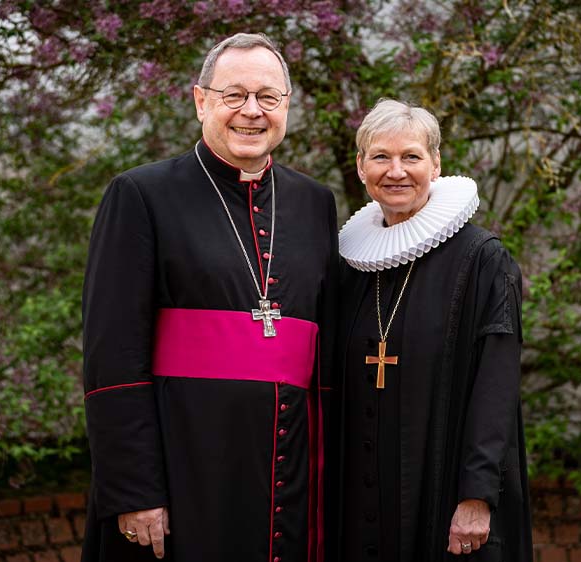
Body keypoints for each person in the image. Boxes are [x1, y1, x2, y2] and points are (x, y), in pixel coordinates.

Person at [81, 33, 338, 561]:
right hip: (185, 470)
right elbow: (113, 360)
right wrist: (134, 489)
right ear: (201, 101)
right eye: (234, 95)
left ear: (287, 105)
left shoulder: (315, 203)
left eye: (268, 97)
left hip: (290, 469)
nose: (252, 111)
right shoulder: (141, 195)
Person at [334, 99, 532, 562]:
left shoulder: (483, 260)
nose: (396, 171)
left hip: (445, 491)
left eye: (411, 156)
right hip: (361, 495)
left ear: (436, 164)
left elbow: (497, 387)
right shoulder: (349, 267)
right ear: (361, 166)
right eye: (380, 157)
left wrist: (476, 495)